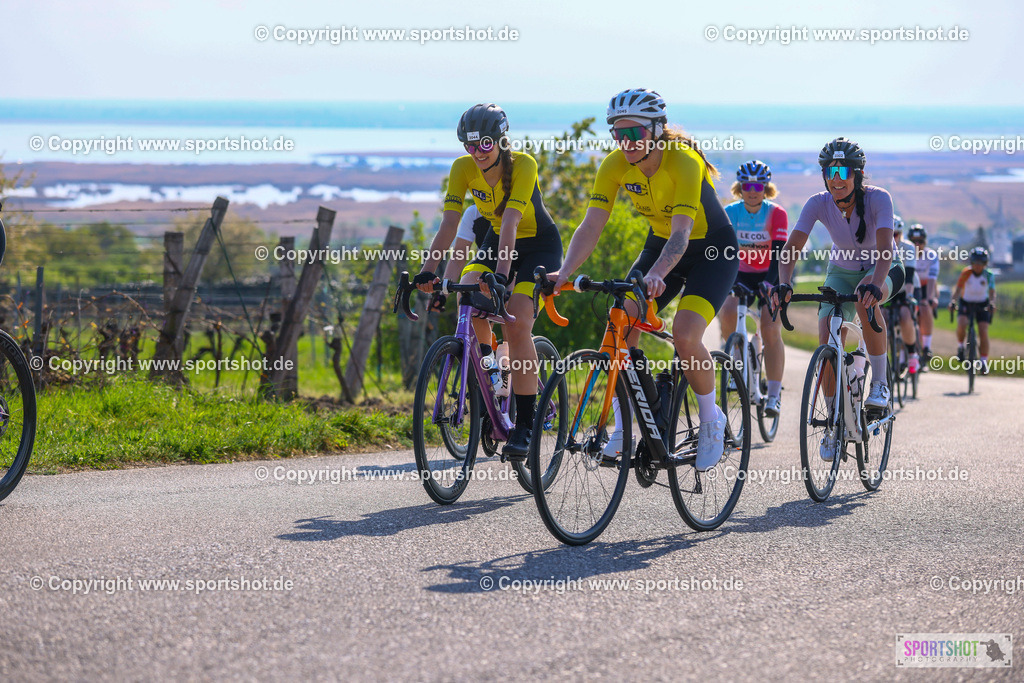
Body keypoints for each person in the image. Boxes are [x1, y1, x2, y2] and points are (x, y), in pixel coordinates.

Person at [550, 88, 739, 471]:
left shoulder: (683, 161)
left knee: (686, 334)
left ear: (656, 129)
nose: (626, 142)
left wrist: (656, 275)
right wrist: (564, 272)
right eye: (618, 134)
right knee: (621, 322)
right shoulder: (615, 165)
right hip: (660, 246)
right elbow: (592, 225)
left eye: (634, 133)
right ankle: (623, 428)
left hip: (712, 251)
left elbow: (683, 234)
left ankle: (710, 419)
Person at [416, 103, 563, 460]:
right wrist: (429, 273)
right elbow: (449, 225)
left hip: (537, 247)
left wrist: (500, 276)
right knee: (466, 289)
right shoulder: (462, 168)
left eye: (484, 144)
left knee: (516, 322)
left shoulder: (523, 165)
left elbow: (512, 220)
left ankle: (526, 424)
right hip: (497, 243)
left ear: (500, 141)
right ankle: (488, 374)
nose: (477, 153)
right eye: (469, 146)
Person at [772, 137, 905, 461]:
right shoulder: (818, 202)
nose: (837, 178)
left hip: (882, 267)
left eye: (844, 170)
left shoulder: (878, 199)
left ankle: (880, 385)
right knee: (827, 341)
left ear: (857, 174)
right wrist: (783, 284)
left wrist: (875, 283)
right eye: (830, 171)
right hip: (840, 270)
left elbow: (886, 249)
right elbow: (791, 248)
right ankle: (833, 421)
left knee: (864, 301)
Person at [720, 160, 788, 417]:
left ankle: (773, 394)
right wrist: (729, 279)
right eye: (747, 185)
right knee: (726, 312)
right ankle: (738, 361)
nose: (752, 190)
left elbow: (779, 254)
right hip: (740, 274)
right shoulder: (730, 212)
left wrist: (770, 284)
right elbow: (726, 251)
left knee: (770, 329)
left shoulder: (777, 213)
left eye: (758, 185)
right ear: (740, 187)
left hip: (770, 275)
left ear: (765, 187)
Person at [950, 247, 996, 374]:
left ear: (985, 264)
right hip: (966, 302)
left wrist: (992, 303)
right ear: (971, 262)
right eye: (975, 262)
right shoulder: (966, 273)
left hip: (982, 303)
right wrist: (953, 301)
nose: (977, 265)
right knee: (962, 323)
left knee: (983, 331)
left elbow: (992, 292)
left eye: (981, 263)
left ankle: (983, 362)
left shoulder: (989, 275)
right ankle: (960, 347)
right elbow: (958, 289)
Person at [888, 216, 920, 374]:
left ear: (901, 234)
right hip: (888, 289)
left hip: (908, 287)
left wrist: (908, 295)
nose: (893, 238)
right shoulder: (876, 246)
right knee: (882, 318)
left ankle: (912, 353)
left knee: (906, 316)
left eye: (896, 235)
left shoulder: (908, 247)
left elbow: (909, 275)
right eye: (889, 234)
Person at [908, 224, 939, 359]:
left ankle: (926, 347)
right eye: (913, 241)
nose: (917, 244)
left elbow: (932, 279)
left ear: (925, 242)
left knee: (925, 309)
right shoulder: (904, 253)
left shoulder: (931, 255)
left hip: (926, 287)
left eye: (920, 241)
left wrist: (929, 298)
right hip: (910, 286)